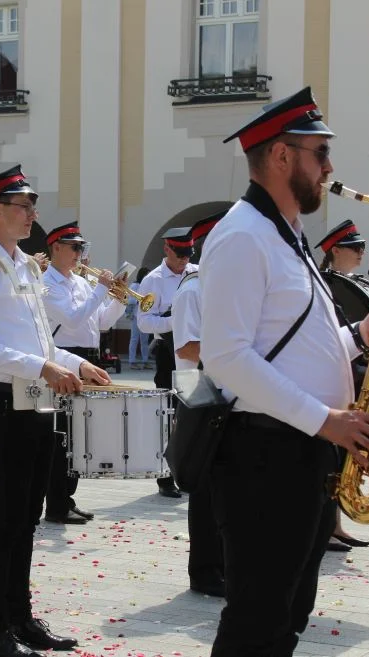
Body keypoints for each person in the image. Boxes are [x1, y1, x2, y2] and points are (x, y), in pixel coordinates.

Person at [200, 86, 369, 656]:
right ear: (280, 157)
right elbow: (225, 356)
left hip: (302, 454)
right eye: (319, 153)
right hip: (265, 457)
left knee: (287, 618)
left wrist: (365, 334)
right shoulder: (243, 235)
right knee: (257, 623)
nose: (329, 167)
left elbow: (294, 347)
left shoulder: (285, 234)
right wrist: (326, 420)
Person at [0, 165, 110, 657]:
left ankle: (20, 619)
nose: (32, 216)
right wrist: (42, 367)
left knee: (28, 519)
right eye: (23, 206)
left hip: (38, 402)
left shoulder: (25, 266)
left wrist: (78, 363)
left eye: (32, 207)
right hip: (7, 403)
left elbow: (42, 340)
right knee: (7, 518)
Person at [41, 221, 126, 525]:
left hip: (87, 357)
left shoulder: (78, 282)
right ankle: (56, 504)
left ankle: (67, 498)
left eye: (81, 247)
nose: (79, 253)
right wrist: (102, 289)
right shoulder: (47, 284)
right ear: (56, 248)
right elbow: (74, 319)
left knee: (79, 437)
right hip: (64, 359)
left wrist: (118, 298)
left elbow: (100, 322)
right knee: (62, 435)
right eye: (74, 247)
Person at [171, 211, 225, 598]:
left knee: (225, 491)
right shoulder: (194, 287)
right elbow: (187, 346)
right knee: (205, 492)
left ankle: (222, 565)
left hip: (228, 394)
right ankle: (204, 573)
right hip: (202, 395)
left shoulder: (225, 283)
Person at [314, 220, 369, 553]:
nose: (361, 252)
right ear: (336, 250)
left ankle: (335, 524)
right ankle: (330, 526)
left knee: (341, 457)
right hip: (335, 383)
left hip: (353, 379)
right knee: (332, 457)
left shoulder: (351, 285)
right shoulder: (328, 286)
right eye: (355, 247)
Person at [137, 227, 199, 499]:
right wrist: (178, 319)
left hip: (195, 351)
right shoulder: (153, 280)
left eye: (188, 253)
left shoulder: (195, 273)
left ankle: (190, 469)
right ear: (167, 249)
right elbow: (144, 322)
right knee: (168, 415)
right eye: (179, 254)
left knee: (194, 412)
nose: (184, 259)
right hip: (168, 350)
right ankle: (165, 476)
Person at [126, 268, 152, 370]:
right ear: (142, 275)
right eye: (147, 274)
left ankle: (145, 361)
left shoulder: (148, 286)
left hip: (145, 316)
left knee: (144, 341)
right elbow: (130, 300)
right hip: (136, 316)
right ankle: (132, 361)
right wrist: (139, 300)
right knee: (134, 339)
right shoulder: (135, 285)